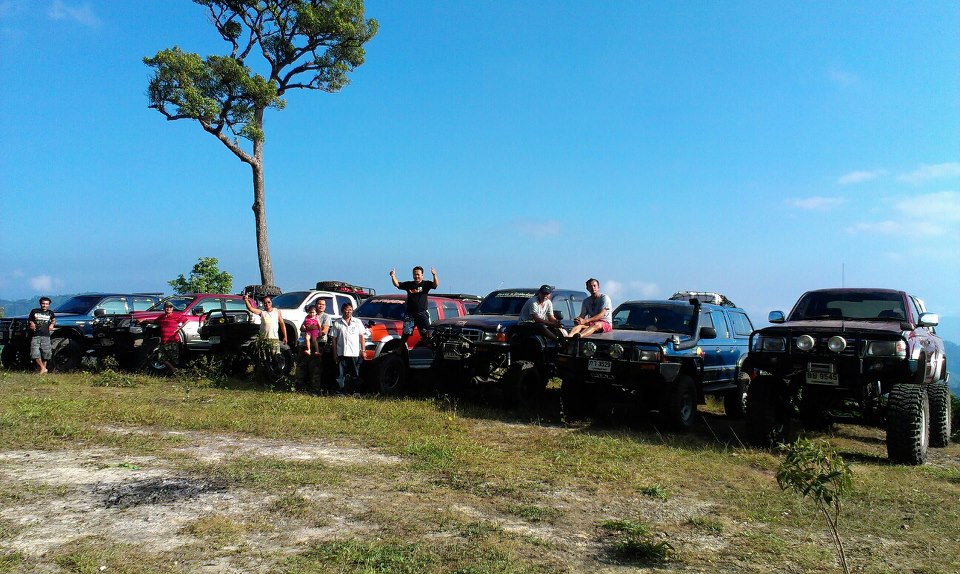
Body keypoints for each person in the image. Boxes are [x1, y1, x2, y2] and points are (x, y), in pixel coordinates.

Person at [390, 265, 439, 343]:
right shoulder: (409, 284)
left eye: (418, 274)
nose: (416, 276)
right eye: (415, 274)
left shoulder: (426, 284)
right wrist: (393, 276)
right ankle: (400, 348)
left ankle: (427, 348)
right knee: (406, 333)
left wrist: (434, 275)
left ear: (422, 275)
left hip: (422, 313)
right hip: (410, 314)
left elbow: (435, 285)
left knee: (426, 333)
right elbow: (397, 284)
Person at [331, 301, 365, 395]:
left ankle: (356, 391)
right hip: (341, 352)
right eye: (346, 309)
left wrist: (363, 350)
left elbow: (361, 336)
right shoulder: (337, 322)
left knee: (355, 373)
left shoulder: (357, 322)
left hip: (354, 352)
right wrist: (335, 354)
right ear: (342, 310)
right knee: (340, 374)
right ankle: (340, 392)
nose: (348, 311)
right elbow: (334, 339)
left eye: (350, 309)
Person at [27, 296, 56, 374]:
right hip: (35, 335)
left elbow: (53, 320)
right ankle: (43, 368)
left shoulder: (50, 313)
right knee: (34, 352)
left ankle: (42, 370)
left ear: (49, 305)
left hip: (46, 335)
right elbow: (30, 320)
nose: (45, 305)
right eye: (43, 303)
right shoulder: (34, 311)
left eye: (46, 304)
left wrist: (52, 324)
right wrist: (32, 323)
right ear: (40, 304)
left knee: (46, 353)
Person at [155, 301, 180, 375]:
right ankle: (173, 370)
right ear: (164, 308)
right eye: (167, 307)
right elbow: (155, 321)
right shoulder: (161, 317)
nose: (169, 308)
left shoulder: (176, 316)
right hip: (164, 341)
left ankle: (177, 374)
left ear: (172, 309)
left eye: (170, 307)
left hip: (172, 340)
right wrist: (144, 321)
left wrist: (180, 328)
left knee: (174, 359)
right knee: (160, 357)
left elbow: (186, 321)